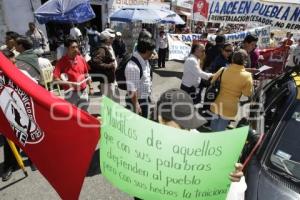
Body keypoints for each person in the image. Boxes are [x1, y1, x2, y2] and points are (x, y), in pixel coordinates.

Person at [210, 49, 253, 132]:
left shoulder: (223, 69)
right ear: (245, 61)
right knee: (220, 129)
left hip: (219, 101)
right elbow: (247, 93)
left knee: (214, 124)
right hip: (231, 105)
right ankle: (215, 143)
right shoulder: (247, 76)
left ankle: (211, 142)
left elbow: (212, 81)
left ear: (232, 59)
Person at [53, 38, 93, 111]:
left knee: (84, 114)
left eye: (77, 47)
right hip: (70, 94)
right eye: (73, 47)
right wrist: (71, 84)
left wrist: (90, 87)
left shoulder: (81, 59)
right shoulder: (61, 62)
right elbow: (55, 80)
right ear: (67, 48)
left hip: (83, 92)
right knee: (72, 116)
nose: (76, 49)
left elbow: (86, 74)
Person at [125, 38, 156, 118]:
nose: (153, 54)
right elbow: (132, 90)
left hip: (143, 98)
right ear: (146, 51)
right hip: (136, 101)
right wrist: (136, 105)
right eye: (152, 51)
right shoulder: (133, 67)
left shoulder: (144, 60)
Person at [90, 31, 119, 102]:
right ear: (106, 39)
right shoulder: (101, 49)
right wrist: (110, 66)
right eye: (110, 38)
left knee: (112, 99)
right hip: (107, 80)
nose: (112, 39)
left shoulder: (107, 47)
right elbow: (96, 62)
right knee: (109, 100)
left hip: (110, 78)